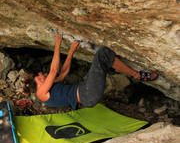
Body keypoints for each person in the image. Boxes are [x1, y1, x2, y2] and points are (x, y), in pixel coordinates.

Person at [23, 34, 158, 110]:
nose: (45, 77)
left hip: (87, 90)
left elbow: (63, 73)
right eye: (42, 77)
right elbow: (54, 70)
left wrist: (71, 51)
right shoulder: (41, 94)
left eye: (44, 75)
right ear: (38, 83)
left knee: (102, 63)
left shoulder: (50, 86)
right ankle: (136, 75)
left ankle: (127, 72)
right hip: (88, 93)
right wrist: (57, 43)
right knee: (102, 53)